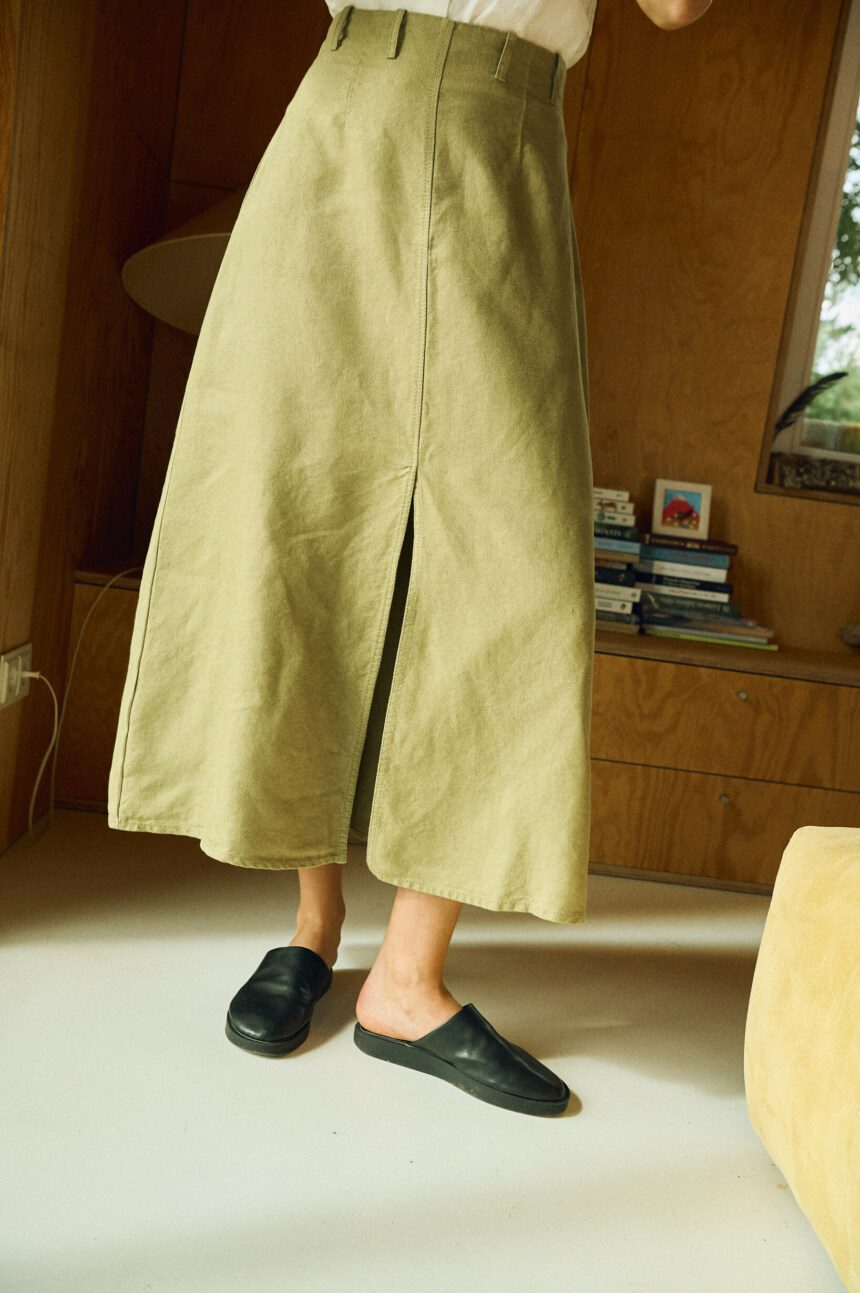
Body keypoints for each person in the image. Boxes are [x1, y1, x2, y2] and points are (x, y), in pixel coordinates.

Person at [109, 0, 712, 1117]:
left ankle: (407, 981)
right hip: (345, 122)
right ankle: (312, 928)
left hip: (504, 140)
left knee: (504, 567)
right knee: (307, 518)